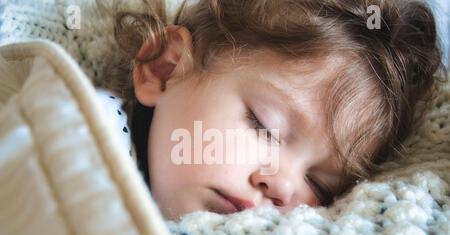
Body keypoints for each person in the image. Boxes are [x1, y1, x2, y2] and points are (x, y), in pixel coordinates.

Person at [103, 0, 444, 220]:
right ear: (165, 69)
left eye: (320, 186)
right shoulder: (85, 137)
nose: (282, 185)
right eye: (264, 126)